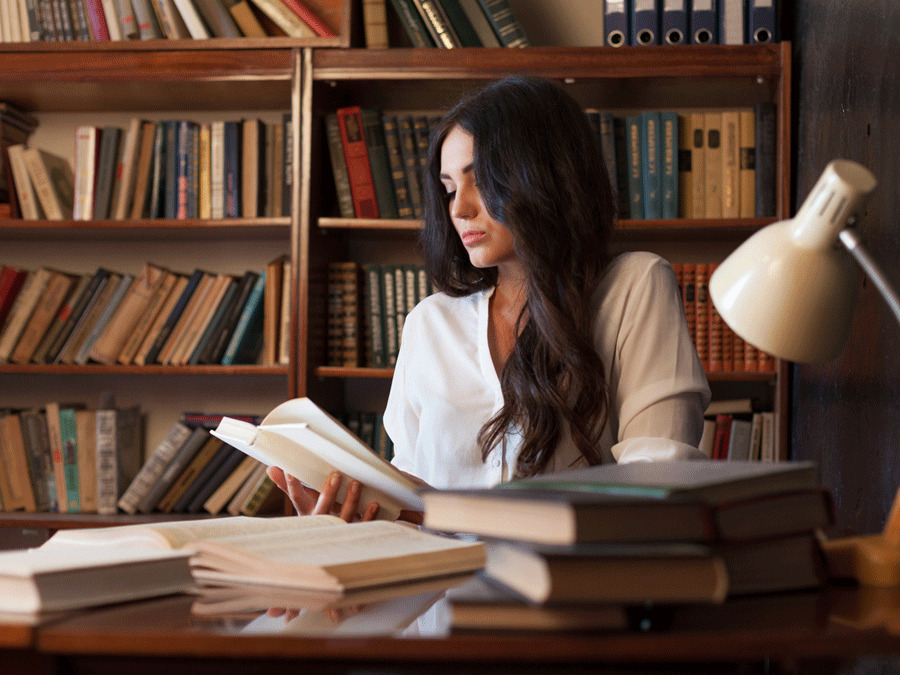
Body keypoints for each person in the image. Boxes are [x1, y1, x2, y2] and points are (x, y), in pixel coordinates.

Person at [268, 75, 710, 522]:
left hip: (569, 587)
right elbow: (409, 503)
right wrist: (352, 519)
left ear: (548, 175)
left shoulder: (633, 286)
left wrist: (446, 511)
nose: (458, 209)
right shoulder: (429, 323)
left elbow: (657, 487)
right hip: (440, 590)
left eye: (479, 181)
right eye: (448, 189)